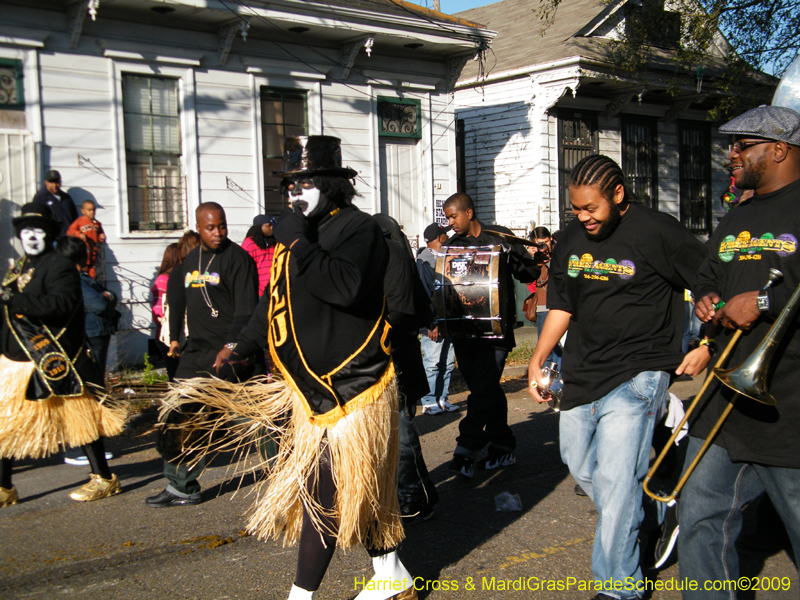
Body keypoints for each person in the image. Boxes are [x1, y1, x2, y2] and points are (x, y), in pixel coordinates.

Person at [162, 136, 417, 600]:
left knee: (321, 495)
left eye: (303, 183)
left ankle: (300, 597)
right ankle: (393, 576)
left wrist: (298, 241)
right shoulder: (294, 237)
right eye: (289, 186)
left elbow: (345, 287)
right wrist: (241, 344)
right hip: (309, 390)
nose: (294, 194)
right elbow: (272, 300)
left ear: (329, 185)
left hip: (354, 387)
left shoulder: (357, 229)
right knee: (367, 488)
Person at [526, 155, 709, 600]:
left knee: (614, 479)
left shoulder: (657, 231)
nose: (583, 218)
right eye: (576, 210)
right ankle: (652, 510)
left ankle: (619, 586)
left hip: (640, 372)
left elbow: (708, 280)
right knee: (578, 462)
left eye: (591, 208)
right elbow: (564, 305)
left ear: (618, 195)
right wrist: (538, 358)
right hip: (584, 371)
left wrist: (707, 343)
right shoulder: (572, 238)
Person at [680, 105, 800, 599]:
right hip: (725, 402)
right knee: (699, 520)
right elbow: (710, 273)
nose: (730, 153)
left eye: (741, 144)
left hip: (790, 406)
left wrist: (766, 301)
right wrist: (706, 297)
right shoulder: (737, 217)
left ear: (779, 149)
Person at [0, 203, 125, 507]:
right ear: (19, 235)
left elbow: (62, 304)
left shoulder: (59, 265)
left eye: (38, 231)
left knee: (82, 419)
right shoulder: (18, 267)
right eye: (26, 231)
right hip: (15, 362)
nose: (32, 237)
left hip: (54, 358)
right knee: (5, 424)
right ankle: (5, 488)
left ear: (49, 235)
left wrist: (18, 300)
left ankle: (104, 479)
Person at [146, 202, 260, 508]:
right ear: (199, 227)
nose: (219, 233)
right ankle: (180, 484)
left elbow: (247, 311)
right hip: (196, 353)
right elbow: (176, 300)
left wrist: (232, 345)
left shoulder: (239, 260)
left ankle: (293, 470)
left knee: (252, 418)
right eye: (211, 227)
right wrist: (173, 339)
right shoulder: (189, 263)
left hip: (230, 354)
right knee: (178, 417)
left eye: (222, 225)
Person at [442, 193, 541, 478]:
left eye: (453, 217)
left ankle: (465, 450)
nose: (450, 223)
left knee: (484, 389)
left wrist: (521, 258)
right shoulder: (451, 246)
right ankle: (503, 446)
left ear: (469, 213)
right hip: (464, 332)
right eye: (447, 218)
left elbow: (528, 273)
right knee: (485, 391)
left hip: (496, 332)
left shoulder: (501, 238)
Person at [375, 214, 440, 526]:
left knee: (401, 434)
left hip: (398, 360)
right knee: (400, 434)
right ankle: (421, 494)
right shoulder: (395, 254)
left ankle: (414, 498)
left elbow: (401, 312)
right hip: (399, 360)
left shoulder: (394, 257)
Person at [58, 237, 119, 467]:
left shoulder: (81, 279)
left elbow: (110, 297)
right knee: (87, 392)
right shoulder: (75, 281)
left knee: (91, 391)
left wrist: (108, 297)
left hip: (94, 335)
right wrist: (106, 298)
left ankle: (88, 446)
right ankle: (80, 447)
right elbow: (102, 303)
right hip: (89, 337)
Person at [416, 222, 458, 415]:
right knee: (432, 363)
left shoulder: (444, 257)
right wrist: (431, 324)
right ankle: (428, 401)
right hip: (432, 323)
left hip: (447, 321)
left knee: (448, 362)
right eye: (444, 235)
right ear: (439, 238)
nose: (447, 238)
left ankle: (442, 398)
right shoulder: (424, 262)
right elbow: (424, 295)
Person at [530, 226, 562, 372]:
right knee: (545, 349)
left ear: (551, 240)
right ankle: (545, 381)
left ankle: (559, 381)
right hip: (543, 305)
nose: (544, 246)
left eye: (546, 242)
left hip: (560, 306)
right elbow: (529, 283)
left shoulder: (559, 254)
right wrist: (533, 260)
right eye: (539, 243)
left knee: (560, 347)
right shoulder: (535, 259)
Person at [151, 243, 181, 381]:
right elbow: (158, 311)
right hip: (167, 336)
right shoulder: (164, 280)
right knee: (175, 376)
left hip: (176, 334)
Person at [32, 170, 78, 239]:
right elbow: (36, 220)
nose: (54, 185)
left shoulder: (66, 198)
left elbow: (75, 217)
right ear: (46, 182)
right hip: (52, 239)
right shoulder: (41, 197)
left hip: (68, 238)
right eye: (51, 182)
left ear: (60, 182)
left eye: (56, 182)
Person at [66, 199, 106, 279]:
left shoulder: (97, 223)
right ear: (83, 211)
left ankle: (92, 285)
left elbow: (100, 234)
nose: (92, 212)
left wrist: (101, 237)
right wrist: (79, 234)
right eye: (89, 210)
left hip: (94, 250)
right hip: (83, 251)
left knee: (93, 271)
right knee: (83, 269)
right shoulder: (79, 221)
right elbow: (69, 232)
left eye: (93, 210)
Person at [241, 214, 277, 297]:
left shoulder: (273, 243)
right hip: (258, 292)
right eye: (269, 225)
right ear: (260, 227)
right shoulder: (249, 244)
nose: (272, 228)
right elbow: (245, 270)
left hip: (274, 290)